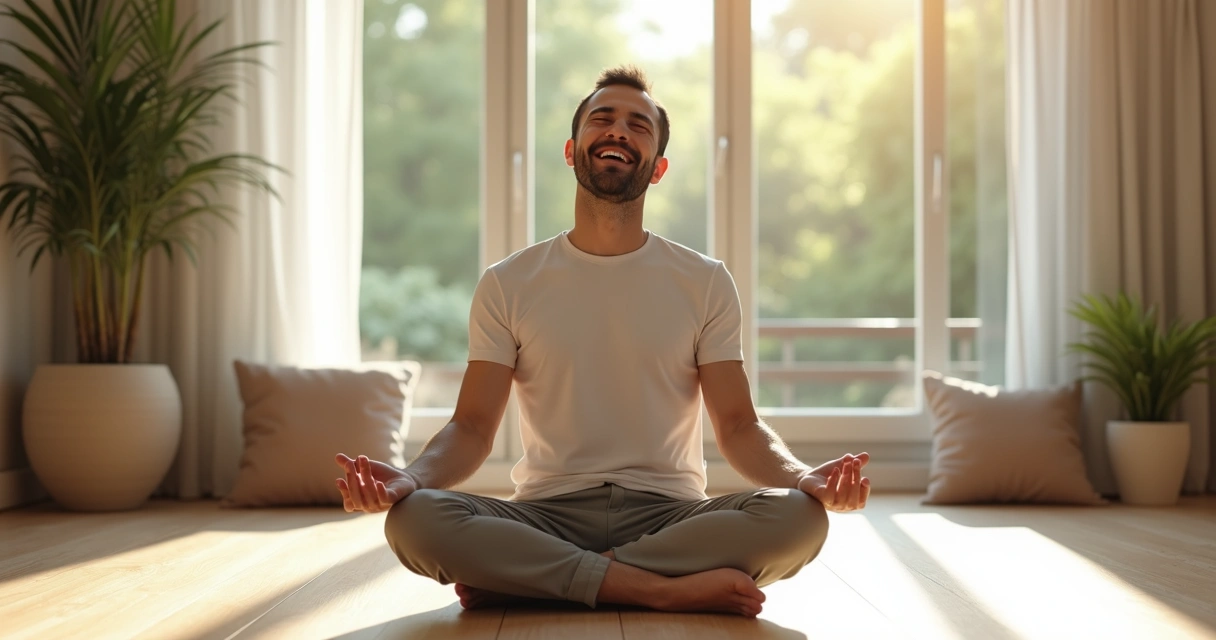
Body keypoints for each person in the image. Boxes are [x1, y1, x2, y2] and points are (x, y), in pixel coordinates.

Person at [335, 65, 870, 618]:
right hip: (546, 514)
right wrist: (411, 478)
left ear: (657, 167)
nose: (618, 130)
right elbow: (471, 428)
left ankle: (540, 579)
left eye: (639, 125)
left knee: (800, 518)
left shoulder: (705, 280)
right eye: (602, 118)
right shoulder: (508, 282)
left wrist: (803, 477)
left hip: (670, 517)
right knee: (415, 520)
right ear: (572, 151)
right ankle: (654, 589)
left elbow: (738, 426)